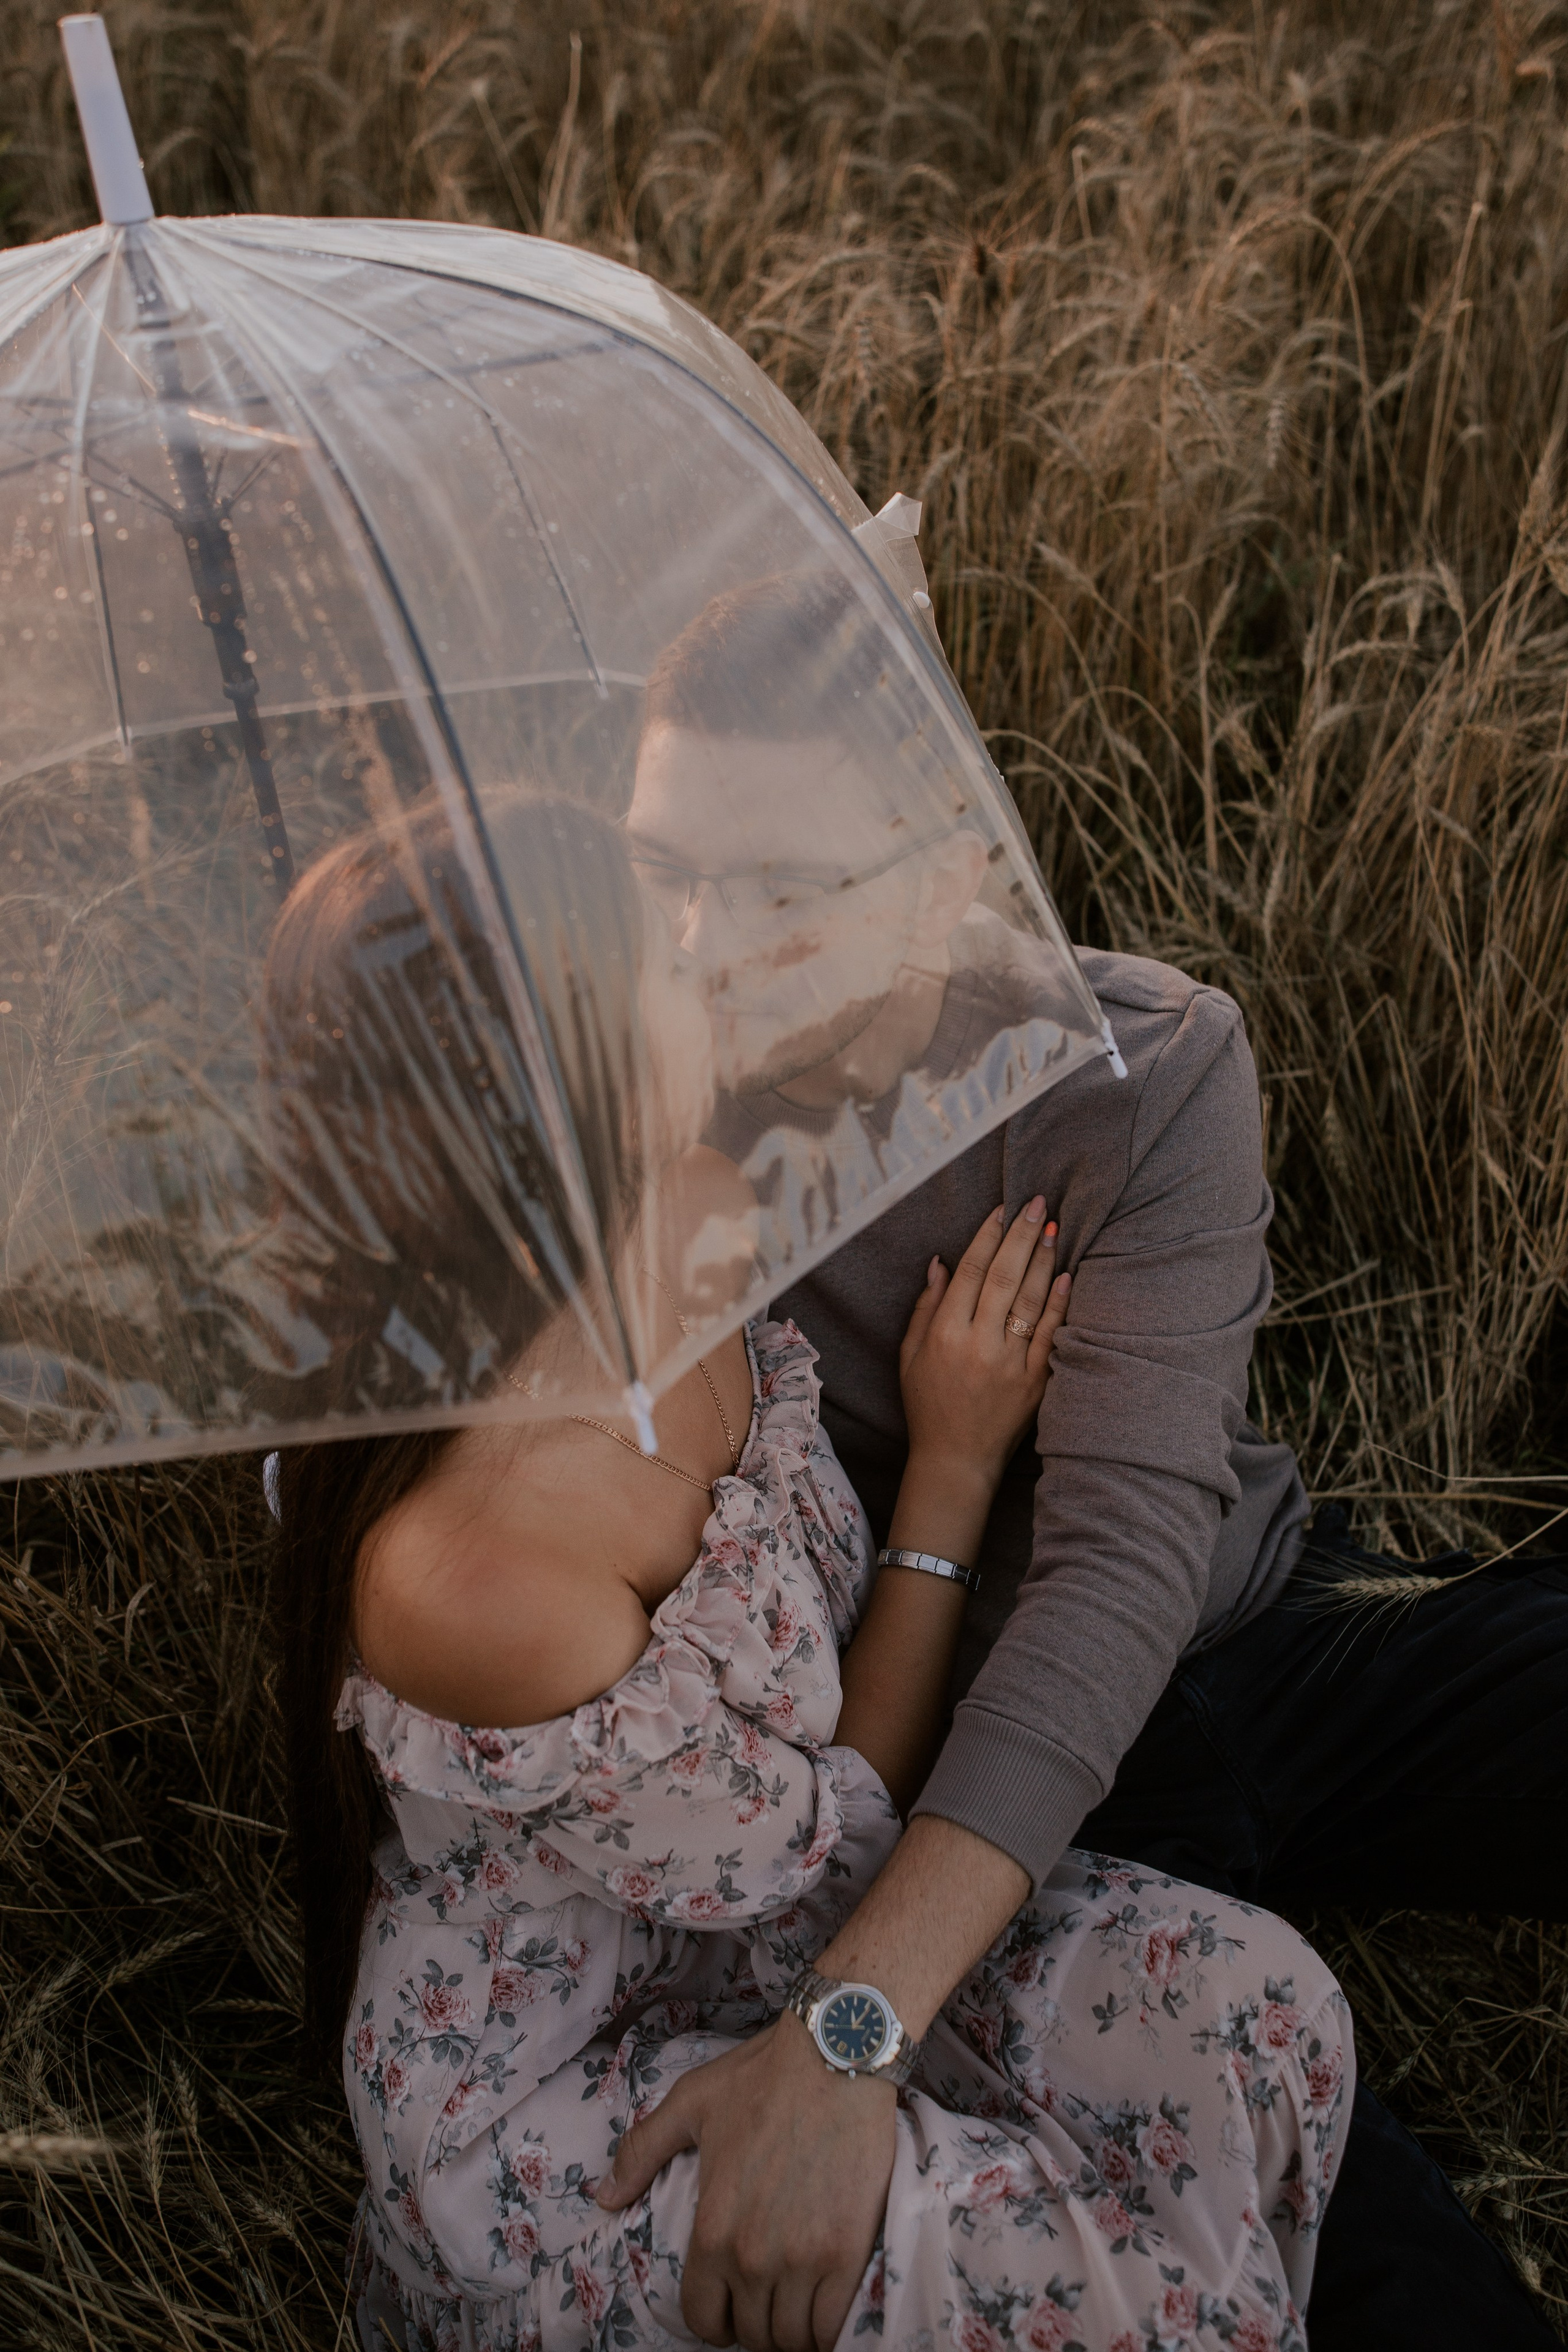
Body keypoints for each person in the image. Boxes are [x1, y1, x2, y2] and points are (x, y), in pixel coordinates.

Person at [609, 570, 1568, 2351]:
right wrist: (860, 2018)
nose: (700, 960)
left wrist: (850, 2029)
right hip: (976, 1771)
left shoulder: (1144, 1066)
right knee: (1355, 2243)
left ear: (963, 869)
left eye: (786, 895)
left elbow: (1129, 1567)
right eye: (665, 877)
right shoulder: (643, 1133)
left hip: (1251, 1624)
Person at [263, 794, 1352, 2352]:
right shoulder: (478, 1571)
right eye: (657, 950)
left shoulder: (696, 1211)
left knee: (1267, 2012)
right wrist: (954, 1469)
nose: (706, 964)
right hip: (596, 2049)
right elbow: (829, 1841)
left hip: (787, 1921)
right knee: (1111, 2292)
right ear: (552, 1077)